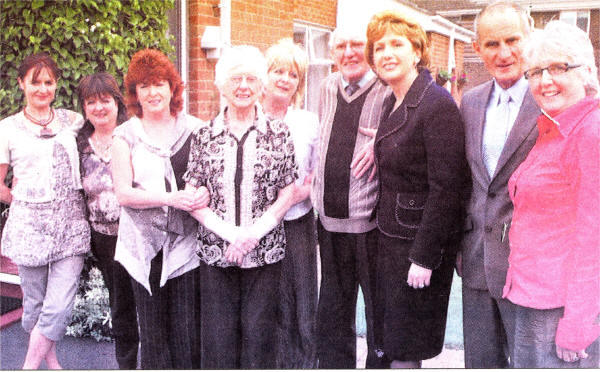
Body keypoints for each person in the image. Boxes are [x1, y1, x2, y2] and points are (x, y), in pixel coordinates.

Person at [183, 45, 298, 369]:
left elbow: (288, 192)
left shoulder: (279, 133)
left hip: (264, 255)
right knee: (218, 343)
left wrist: (252, 236)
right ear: (222, 85)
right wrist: (232, 235)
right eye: (236, 79)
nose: (244, 86)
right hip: (216, 255)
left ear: (261, 85)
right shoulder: (204, 135)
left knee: (259, 341)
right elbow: (192, 198)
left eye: (251, 78)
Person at [364, 10, 468, 368]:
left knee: (406, 348)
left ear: (417, 52)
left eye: (397, 44)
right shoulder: (390, 99)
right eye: (379, 47)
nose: (386, 53)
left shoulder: (436, 104)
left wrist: (423, 257)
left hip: (416, 249)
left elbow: (447, 189)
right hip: (390, 240)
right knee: (392, 341)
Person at [504, 20, 600, 368]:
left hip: (560, 312)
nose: (545, 80)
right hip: (531, 299)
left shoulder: (589, 134)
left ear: (587, 71)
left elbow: (594, 240)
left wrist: (577, 324)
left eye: (559, 67)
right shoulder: (551, 129)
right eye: (537, 71)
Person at [111, 48, 207, 369]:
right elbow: (123, 194)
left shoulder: (196, 130)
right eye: (144, 86)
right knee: (153, 338)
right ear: (135, 93)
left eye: (159, 84)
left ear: (172, 87)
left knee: (186, 336)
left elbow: (211, 179)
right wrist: (171, 198)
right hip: (144, 248)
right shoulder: (124, 136)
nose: (153, 92)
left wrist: (201, 194)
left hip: (186, 248)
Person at [458, 1, 539, 367]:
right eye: (492, 44)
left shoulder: (550, 99)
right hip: (476, 262)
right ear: (477, 49)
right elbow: (463, 180)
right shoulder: (470, 102)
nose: (504, 53)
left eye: (513, 40)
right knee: (481, 363)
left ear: (529, 39)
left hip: (529, 265)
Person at [0, 52, 90, 369]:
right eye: (35, 82)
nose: (42, 89)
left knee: (59, 304)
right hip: (28, 227)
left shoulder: (74, 121)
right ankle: (50, 361)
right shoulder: (6, 129)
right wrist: (25, 200)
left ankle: (28, 365)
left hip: (71, 226)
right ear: (22, 84)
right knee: (34, 304)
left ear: (56, 85)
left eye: (48, 82)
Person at [312, 24, 390, 368]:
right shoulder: (327, 87)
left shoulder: (387, 89)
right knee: (332, 315)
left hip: (370, 224)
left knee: (378, 314)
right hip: (328, 223)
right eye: (341, 46)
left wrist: (381, 142)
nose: (349, 53)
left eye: (356, 45)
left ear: (370, 49)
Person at [262, 38, 319, 368]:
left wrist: (304, 192)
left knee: (301, 301)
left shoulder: (308, 121)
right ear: (265, 76)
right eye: (277, 71)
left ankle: (302, 364)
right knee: (268, 303)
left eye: (292, 74)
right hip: (258, 226)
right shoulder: (247, 118)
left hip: (297, 223)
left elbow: (316, 173)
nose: (284, 79)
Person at [75, 72, 139, 369]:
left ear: (117, 102)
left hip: (139, 234)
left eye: (105, 100)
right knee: (121, 306)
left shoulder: (133, 135)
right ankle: (126, 364)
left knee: (149, 302)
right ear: (84, 107)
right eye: (91, 102)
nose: (99, 108)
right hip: (105, 240)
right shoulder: (78, 144)